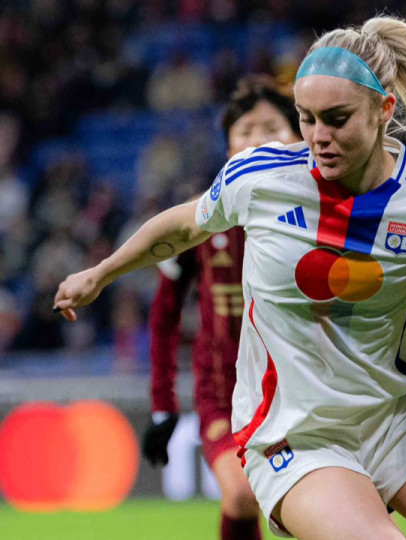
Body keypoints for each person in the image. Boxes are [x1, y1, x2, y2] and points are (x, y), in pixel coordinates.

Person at [53, 16, 406, 540]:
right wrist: (101, 273)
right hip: (294, 438)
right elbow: (183, 226)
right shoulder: (259, 177)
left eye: (336, 119)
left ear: (385, 111)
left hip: (399, 423)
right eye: (306, 119)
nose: (317, 137)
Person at [142, 75, 301, 540]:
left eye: (271, 127)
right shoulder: (198, 220)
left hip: (304, 383)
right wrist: (162, 405)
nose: (258, 140)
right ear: (229, 147)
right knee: (241, 495)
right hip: (225, 391)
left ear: (298, 137)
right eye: (245, 132)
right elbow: (164, 313)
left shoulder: (328, 209)